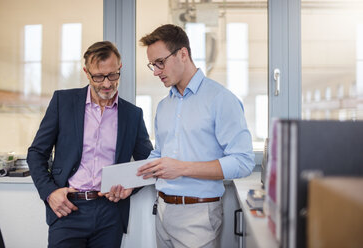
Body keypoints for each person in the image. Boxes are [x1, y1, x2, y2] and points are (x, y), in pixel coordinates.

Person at [137, 24, 255, 248]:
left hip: (199, 215)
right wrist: (130, 180)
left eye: (160, 63)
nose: (155, 72)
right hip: (162, 211)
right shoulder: (164, 106)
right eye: (152, 65)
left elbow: (243, 161)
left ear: (183, 54)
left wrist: (182, 168)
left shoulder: (221, 99)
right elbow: (160, 154)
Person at [27, 41, 153, 248]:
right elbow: (36, 153)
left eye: (113, 75)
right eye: (98, 76)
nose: (106, 84)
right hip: (68, 209)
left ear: (120, 68)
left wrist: (131, 186)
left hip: (110, 212)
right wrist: (50, 192)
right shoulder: (63, 102)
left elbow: (147, 161)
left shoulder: (133, 114)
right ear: (86, 72)